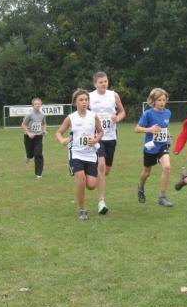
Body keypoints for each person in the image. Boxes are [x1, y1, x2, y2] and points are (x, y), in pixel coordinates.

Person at [56, 89, 103, 221]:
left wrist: (95, 140)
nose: (84, 102)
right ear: (75, 102)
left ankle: (84, 180)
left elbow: (100, 132)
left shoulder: (93, 116)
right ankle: (82, 210)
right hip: (76, 153)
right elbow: (59, 132)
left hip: (90, 154)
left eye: (86, 100)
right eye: (81, 100)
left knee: (91, 185)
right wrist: (62, 140)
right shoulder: (71, 118)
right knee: (81, 180)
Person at [89, 71, 126, 215]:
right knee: (102, 165)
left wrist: (118, 118)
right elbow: (84, 114)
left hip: (111, 136)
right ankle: (101, 201)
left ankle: (95, 173)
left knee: (106, 170)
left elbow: (122, 112)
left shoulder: (114, 95)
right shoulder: (90, 97)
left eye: (105, 81)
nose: (104, 84)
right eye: (100, 82)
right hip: (97, 137)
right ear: (95, 84)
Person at [136, 88, 173, 207]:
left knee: (167, 167)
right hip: (150, 148)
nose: (162, 102)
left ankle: (162, 197)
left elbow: (164, 127)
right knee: (147, 173)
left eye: (164, 100)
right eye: (159, 100)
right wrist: (150, 129)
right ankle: (141, 187)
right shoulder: (148, 114)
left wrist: (168, 135)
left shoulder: (168, 112)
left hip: (163, 145)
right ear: (153, 101)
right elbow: (137, 129)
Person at [21, 97, 47, 179]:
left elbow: (44, 124)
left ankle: (38, 174)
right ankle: (28, 156)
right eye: (36, 104)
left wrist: (44, 130)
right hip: (28, 137)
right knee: (30, 154)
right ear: (33, 105)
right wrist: (29, 133)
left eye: (39, 104)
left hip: (38, 136)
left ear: (41, 105)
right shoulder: (29, 115)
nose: (37, 105)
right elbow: (23, 125)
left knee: (38, 154)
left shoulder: (42, 115)